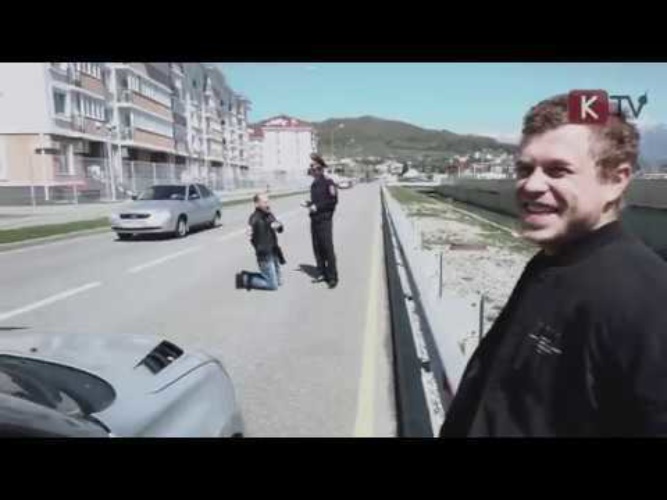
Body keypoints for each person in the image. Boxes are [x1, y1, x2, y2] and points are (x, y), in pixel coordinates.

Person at [440, 94, 667, 437]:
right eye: (524, 169)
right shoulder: (551, 262)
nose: (531, 185)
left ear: (615, 180)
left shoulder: (646, 299)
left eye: (558, 170)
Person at [236, 193, 286, 291]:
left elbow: (280, 229)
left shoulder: (269, 214)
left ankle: (269, 276)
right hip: (264, 255)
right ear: (257, 204)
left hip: (274, 251)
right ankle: (243, 279)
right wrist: (249, 231)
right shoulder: (254, 218)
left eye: (268, 201)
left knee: (279, 281)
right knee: (273, 286)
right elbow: (251, 226)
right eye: (264, 202)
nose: (267, 204)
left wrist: (279, 225)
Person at [303, 153, 339, 288]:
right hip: (315, 219)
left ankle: (332, 277)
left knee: (327, 248)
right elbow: (317, 201)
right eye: (311, 167)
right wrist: (309, 204)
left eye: (313, 167)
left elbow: (332, 201)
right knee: (317, 248)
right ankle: (322, 272)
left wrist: (317, 207)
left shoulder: (328, 183)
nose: (311, 170)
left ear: (320, 168)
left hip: (324, 220)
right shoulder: (314, 184)